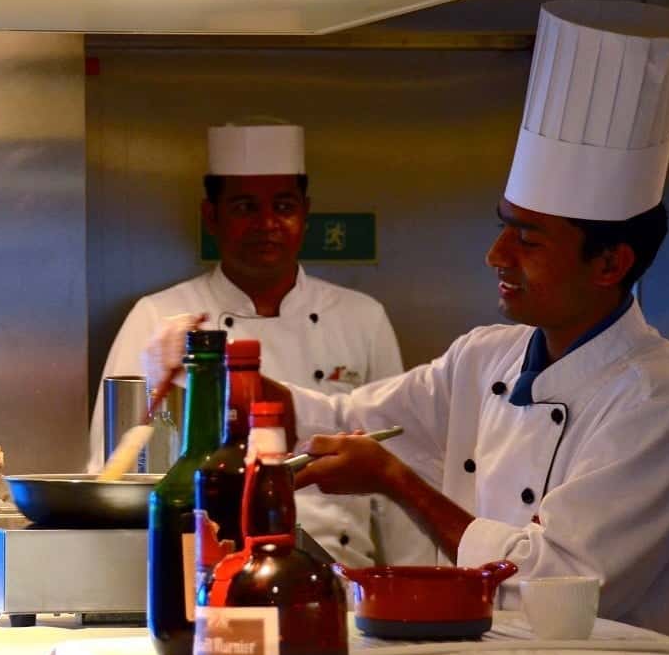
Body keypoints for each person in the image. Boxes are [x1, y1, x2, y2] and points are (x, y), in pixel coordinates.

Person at [263, 0, 669, 651]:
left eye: (528, 241)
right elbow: (356, 416)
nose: (496, 256)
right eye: (502, 226)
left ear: (611, 263)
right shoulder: (488, 358)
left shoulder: (656, 406)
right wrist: (261, 399)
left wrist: (397, 483)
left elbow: (553, 581)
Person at [90, 122, 434, 568]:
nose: (267, 223)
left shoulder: (362, 317)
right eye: (245, 206)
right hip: (210, 567)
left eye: (283, 206)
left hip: (345, 575)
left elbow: (396, 462)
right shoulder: (159, 317)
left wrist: (411, 586)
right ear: (211, 216)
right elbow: (114, 466)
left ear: (306, 213)